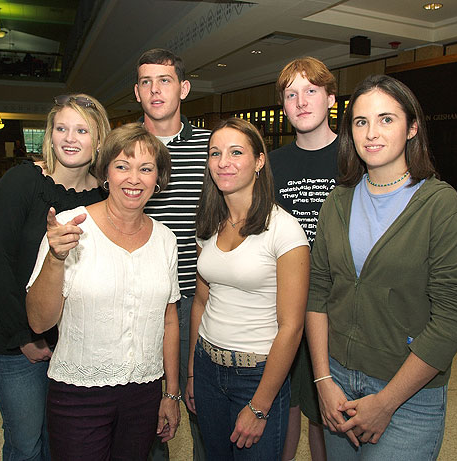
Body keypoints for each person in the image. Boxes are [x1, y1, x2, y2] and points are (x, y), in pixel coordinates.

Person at [306, 74, 457, 460]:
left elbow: (451, 319)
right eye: (361, 121)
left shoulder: (441, 206)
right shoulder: (338, 200)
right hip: (336, 381)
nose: (372, 132)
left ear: (412, 128)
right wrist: (322, 380)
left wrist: (386, 401)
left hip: (408, 396)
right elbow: (318, 291)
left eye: (387, 119)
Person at [25, 123, 181, 460]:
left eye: (146, 168)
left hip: (144, 394)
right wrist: (55, 258)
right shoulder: (71, 226)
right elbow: (39, 322)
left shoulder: (166, 240)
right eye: (122, 166)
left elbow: (169, 320)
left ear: (159, 178)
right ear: (106, 173)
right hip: (79, 395)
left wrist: (171, 392)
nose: (134, 178)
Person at [0, 93, 110, 460]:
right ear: (50, 134)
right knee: (25, 445)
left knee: (63, 444)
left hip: (76, 347)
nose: (70, 138)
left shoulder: (105, 193)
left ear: (99, 139)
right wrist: (25, 336)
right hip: (17, 347)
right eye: (61, 128)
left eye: (82, 130)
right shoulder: (22, 182)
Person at [185, 118, 310, 460]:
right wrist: (194, 372)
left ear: (258, 161)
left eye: (235, 152)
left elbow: (292, 327)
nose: (223, 161)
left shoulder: (284, 231)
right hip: (207, 367)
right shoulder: (208, 223)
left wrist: (259, 405)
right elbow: (201, 301)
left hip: (256, 375)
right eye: (215, 153)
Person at [134, 48, 210, 461]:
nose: (155, 89)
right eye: (146, 82)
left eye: (164, 80)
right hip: (143, 300)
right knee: (148, 415)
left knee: (201, 407)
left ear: (183, 88)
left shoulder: (210, 147)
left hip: (199, 298)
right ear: (137, 91)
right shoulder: (126, 148)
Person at [269, 56, 338, 461]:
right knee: (286, 403)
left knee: (324, 415)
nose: (301, 101)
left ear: (330, 97)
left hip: (336, 303)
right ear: (283, 105)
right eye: (291, 94)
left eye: (311, 91)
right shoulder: (274, 165)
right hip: (287, 303)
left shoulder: (355, 157)